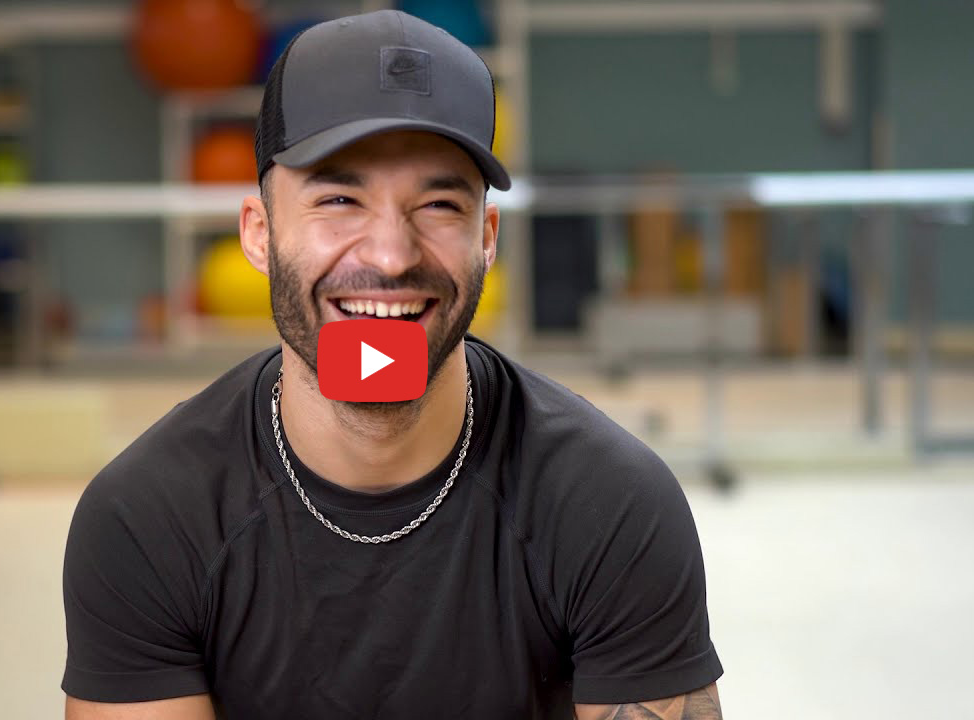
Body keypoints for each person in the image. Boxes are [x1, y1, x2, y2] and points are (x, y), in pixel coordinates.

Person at [62, 10, 723, 720]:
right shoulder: (148, 516)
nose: (389, 254)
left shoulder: (610, 504)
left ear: (486, 238)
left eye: (438, 204)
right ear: (259, 233)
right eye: (339, 199)